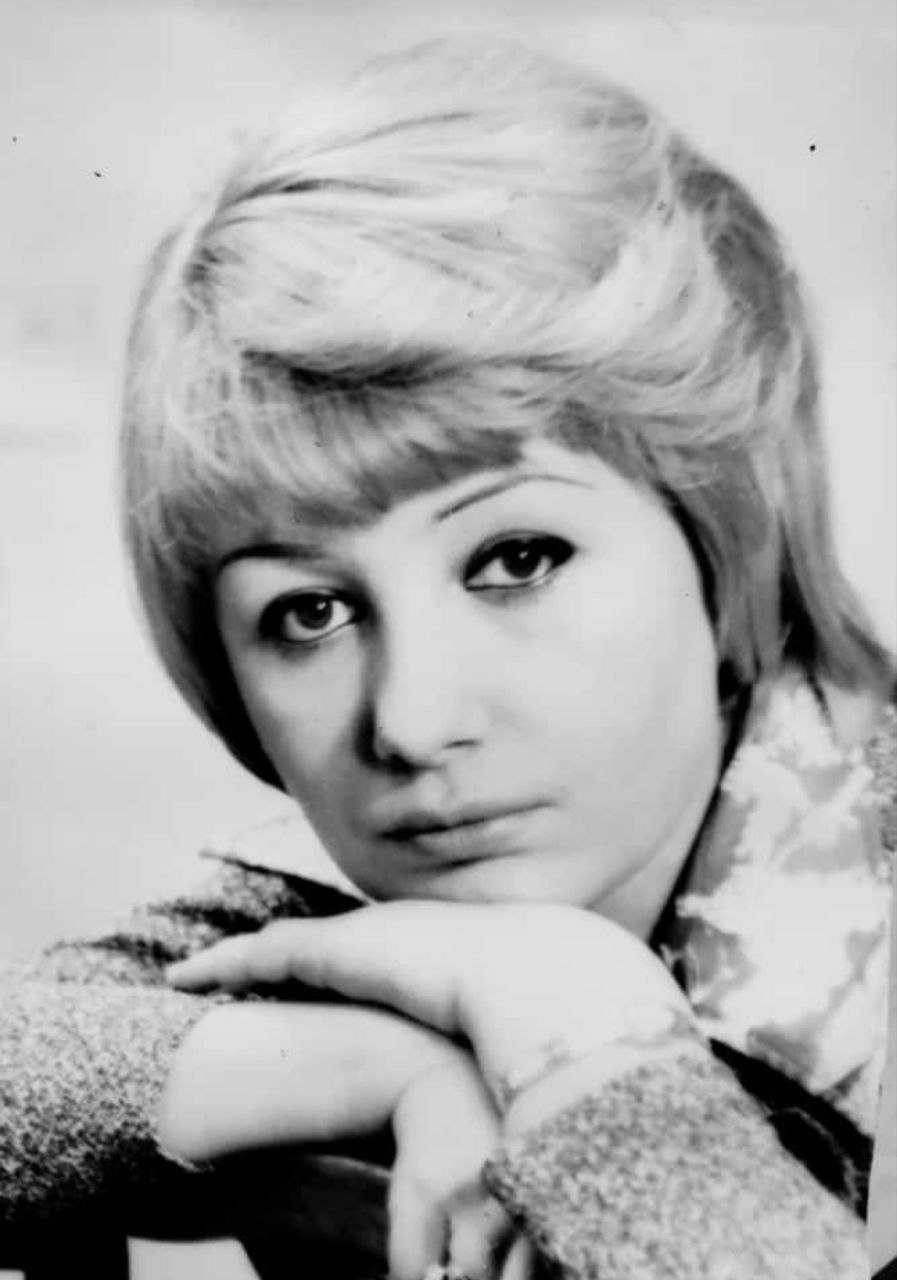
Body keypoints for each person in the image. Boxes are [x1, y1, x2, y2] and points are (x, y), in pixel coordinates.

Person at [1, 37, 894, 1280]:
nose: (411, 722)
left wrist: (594, 1060)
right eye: (308, 612)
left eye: (517, 557)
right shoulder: (379, 933)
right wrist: (400, 1060)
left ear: (727, 546)